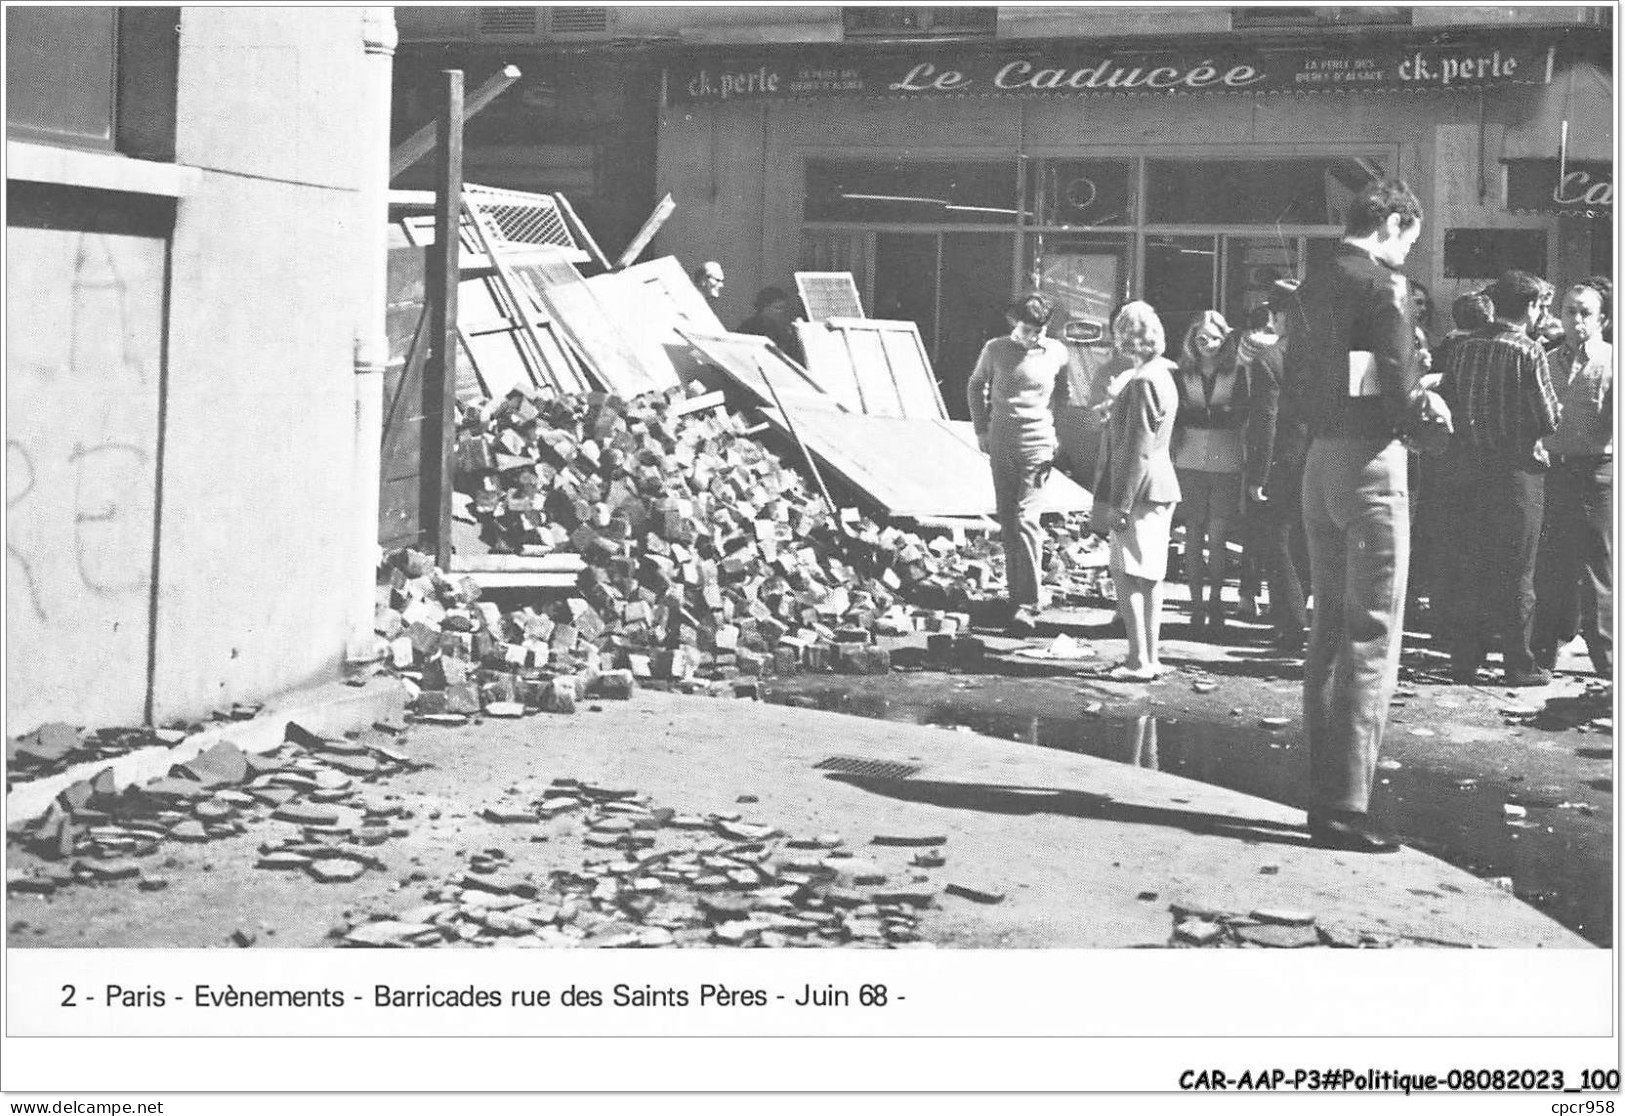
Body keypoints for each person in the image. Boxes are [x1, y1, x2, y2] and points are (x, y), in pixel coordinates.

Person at [1278, 177, 1450, 853]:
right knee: (1371, 635)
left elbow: (1300, 377)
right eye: (1410, 236)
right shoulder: (1384, 286)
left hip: (1318, 461)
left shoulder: (1314, 280)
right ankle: (1344, 807)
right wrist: (1425, 412)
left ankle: (1322, 793)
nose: (1410, 249)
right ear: (1395, 223)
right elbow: (1395, 374)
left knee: (1326, 633)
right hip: (1371, 463)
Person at [1433, 270, 1562, 687]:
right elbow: (1549, 417)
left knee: (1472, 565)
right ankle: (1518, 662)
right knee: (1517, 570)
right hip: (1516, 473)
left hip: (1468, 469)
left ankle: (1465, 658)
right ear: (1528, 307)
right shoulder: (1528, 351)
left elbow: (1450, 398)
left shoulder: (1465, 347)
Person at [967, 292, 1070, 635]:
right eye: (1026, 329)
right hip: (1001, 442)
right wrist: (981, 428)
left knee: (1028, 519)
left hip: (1038, 444)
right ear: (1014, 322)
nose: (1032, 336)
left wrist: (1053, 427)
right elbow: (975, 385)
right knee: (1009, 520)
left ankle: (1029, 603)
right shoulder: (995, 349)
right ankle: (1016, 596)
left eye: (1039, 329)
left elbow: (1063, 393)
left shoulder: (1056, 352)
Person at [1091, 301, 1181, 680]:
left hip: (1140, 487)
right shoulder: (1161, 374)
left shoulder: (1142, 380)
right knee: (1150, 576)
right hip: (1161, 483)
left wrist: (1120, 504)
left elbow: (1135, 448)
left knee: (1126, 573)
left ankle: (1138, 660)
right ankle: (1149, 657)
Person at [1532, 279, 1613, 677]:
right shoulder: (1543, 361)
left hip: (1599, 474)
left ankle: (1608, 661)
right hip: (1555, 471)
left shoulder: (1614, 362)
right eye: (1569, 311)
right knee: (1552, 566)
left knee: (1599, 567)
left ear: (1603, 319)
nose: (1576, 319)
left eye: (1586, 313)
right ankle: (1545, 652)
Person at [1171, 310, 1250, 637]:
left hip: (1225, 458)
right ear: (1192, 339)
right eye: (1201, 339)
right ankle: (1195, 605)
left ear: (1225, 339)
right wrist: (1215, 413)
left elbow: (1240, 415)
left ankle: (1216, 600)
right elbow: (1178, 414)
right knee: (1192, 535)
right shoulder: (1181, 372)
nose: (1208, 345)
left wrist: (1204, 414)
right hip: (1188, 458)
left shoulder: (1238, 372)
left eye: (1214, 338)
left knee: (1217, 537)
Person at [1239, 287, 1310, 653]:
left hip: (1283, 463)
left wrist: (1257, 476)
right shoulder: (1325, 355)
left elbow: (1265, 420)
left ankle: (1290, 623)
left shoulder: (1269, 358)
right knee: (1310, 542)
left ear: (1279, 316)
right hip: (1322, 457)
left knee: (1279, 544)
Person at [738, 285, 806, 366]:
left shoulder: (787, 328)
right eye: (779, 308)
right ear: (764, 308)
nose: (784, 313)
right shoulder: (750, 327)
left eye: (785, 309)